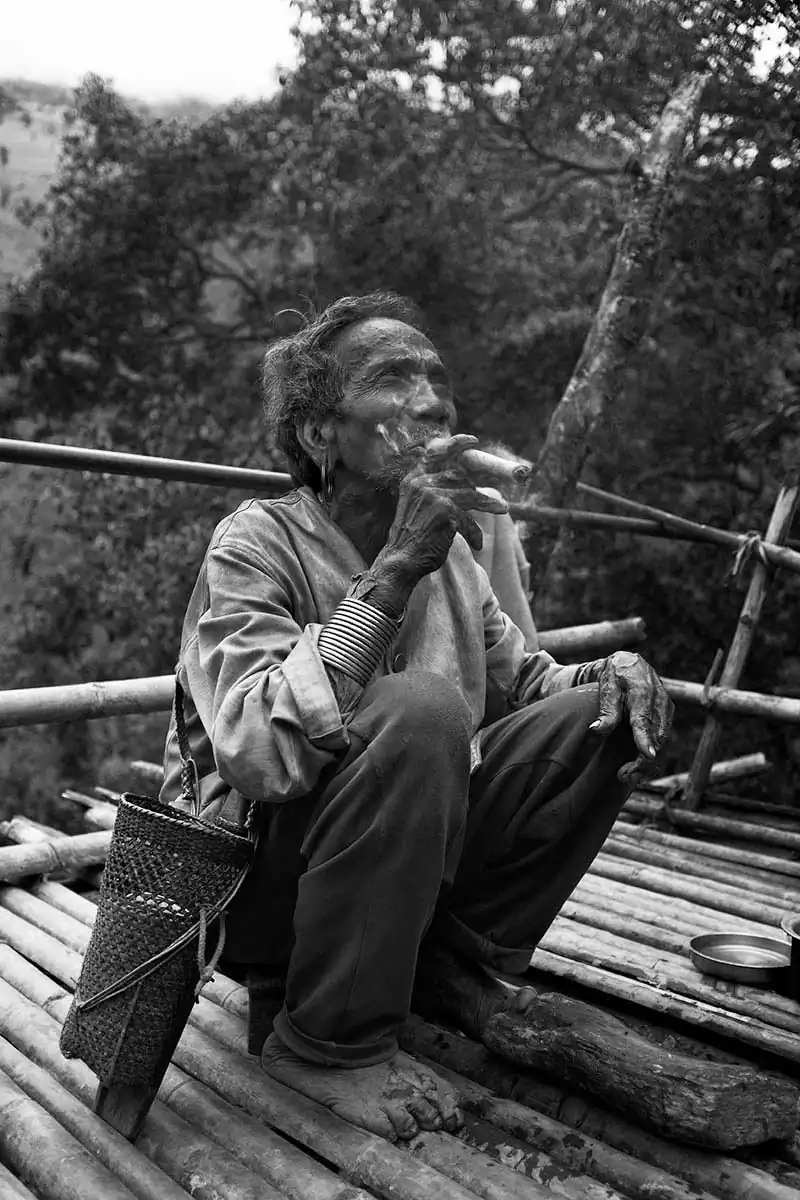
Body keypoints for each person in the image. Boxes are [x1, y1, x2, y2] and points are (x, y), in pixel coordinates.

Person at [159, 291, 673, 1145]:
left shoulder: (456, 555)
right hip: (260, 888)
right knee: (422, 710)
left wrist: (610, 673)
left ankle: (438, 963)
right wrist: (396, 569)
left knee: (601, 718)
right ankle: (327, 1042)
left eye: (438, 381)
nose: (433, 403)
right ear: (319, 433)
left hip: (408, 879)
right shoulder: (255, 545)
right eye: (396, 379)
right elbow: (255, 752)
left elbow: (529, 683)